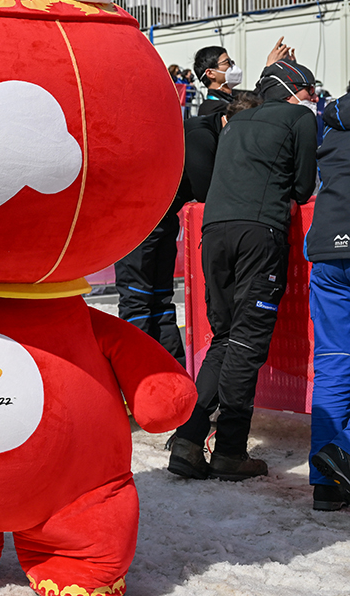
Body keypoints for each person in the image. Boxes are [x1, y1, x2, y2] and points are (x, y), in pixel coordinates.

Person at [169, 58, 318, 482]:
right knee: (248, 343)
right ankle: (231, 451)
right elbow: (305, 187)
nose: (311, 100)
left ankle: (188, 440)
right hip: (259, 232)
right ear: (295, 89)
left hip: (213, 232)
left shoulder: (238, 121)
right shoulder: (298, 118)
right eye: (309, 92)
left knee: (225, 338)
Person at [115, 93, 262, 369]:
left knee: (160, 299)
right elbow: (205, 190)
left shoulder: (217, 133)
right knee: (137, 301)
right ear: (229, 121)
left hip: (162, 218)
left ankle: (172, 376)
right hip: (137, 221)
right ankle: (137, 378)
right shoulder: (200, 134)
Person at [305, 91, 350, 511]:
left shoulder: (332, 122)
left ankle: (326, 484)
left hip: (328, 253)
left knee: (334, 363)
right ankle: (345, 454)